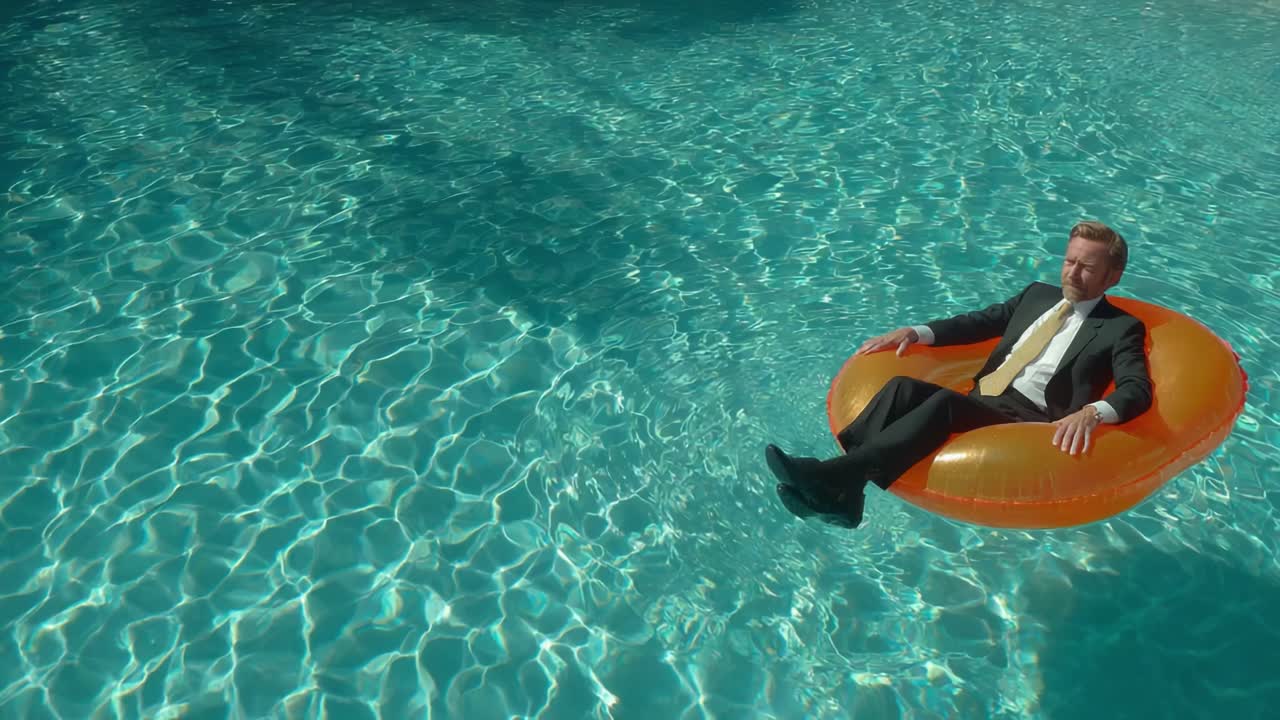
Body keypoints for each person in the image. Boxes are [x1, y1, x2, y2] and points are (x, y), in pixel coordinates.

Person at [765, 221, 1153, 529]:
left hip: (1028, 423)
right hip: (983, 400)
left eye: (1087, 267)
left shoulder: (1120, 327)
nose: (1073, 273)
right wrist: (918, 332)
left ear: (1112, 277)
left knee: (945, 405)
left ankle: (829, 478)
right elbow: (983, 322)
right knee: (901, 388)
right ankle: (847, 495)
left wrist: (1093, 411)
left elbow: (1136, 388)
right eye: (1070, 261)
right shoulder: (1038, 294)